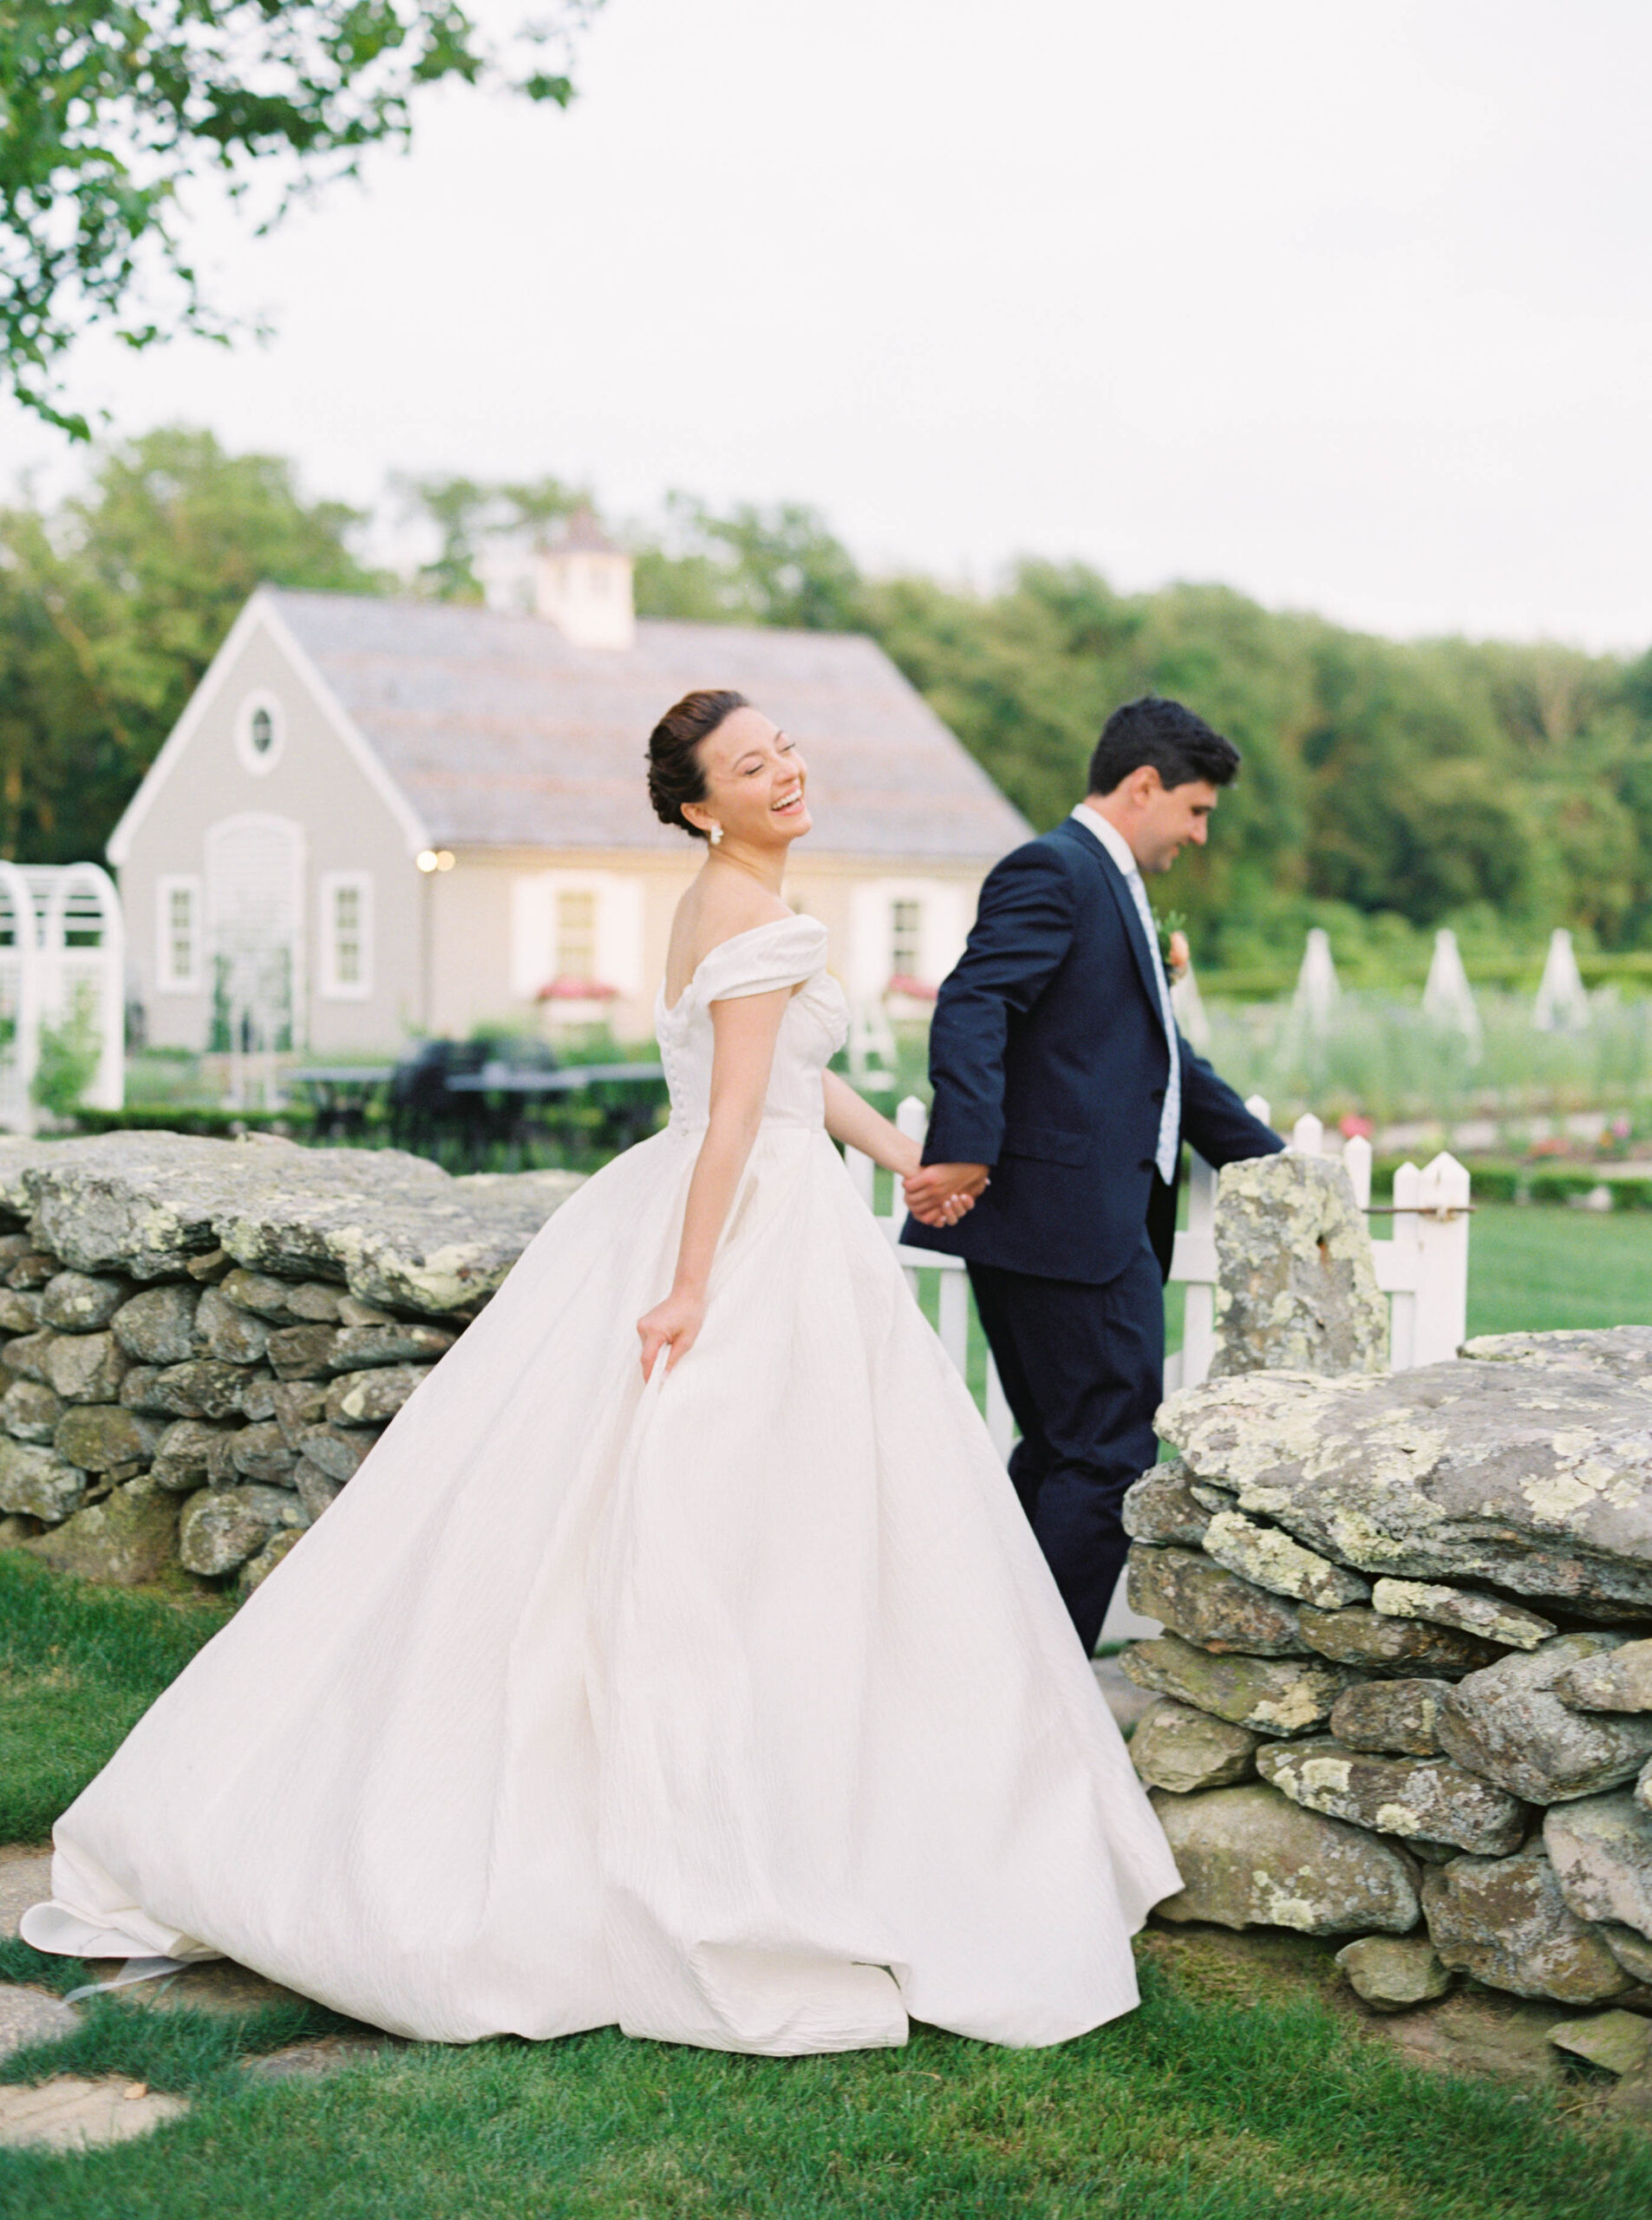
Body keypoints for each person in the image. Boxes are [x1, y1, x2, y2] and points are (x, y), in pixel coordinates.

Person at [24, 689, 1180, 2057]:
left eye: (784, 749)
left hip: (740, 1192)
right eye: (751, 766)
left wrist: (906, 1162)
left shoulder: (722, 898)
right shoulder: (755, 917)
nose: (784, 772)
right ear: (700, 801)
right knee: (748, 1538)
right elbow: (739, 1120)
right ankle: (761, 1838)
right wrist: (692, 1288)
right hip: (750, 1234)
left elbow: (784, 1084)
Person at [902, 696, 1283, 1655]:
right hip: (1065, 1223)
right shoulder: (1056, 871)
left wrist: (1278, 1165)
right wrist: (966, 1143)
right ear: (1144, 785)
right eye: (1195, 810)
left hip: (1074, 1225)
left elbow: (1167, 1065)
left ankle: (985, 1668)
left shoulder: (1111, 888)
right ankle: (1037, 1693)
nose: (1199, 833)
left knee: (1067, 1451)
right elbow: (975, 999)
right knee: (1109, 1454)